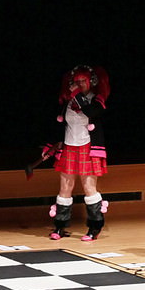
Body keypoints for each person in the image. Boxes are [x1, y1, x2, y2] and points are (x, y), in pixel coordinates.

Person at [47, 65, 110, 241]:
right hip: (69, 146)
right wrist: (51, 146)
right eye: (77, 81)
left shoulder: (96, 99)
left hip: (88, 147)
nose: (80, 84)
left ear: (91, 82)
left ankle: (95, 227)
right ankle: (60, 226)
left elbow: (91, 112)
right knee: (65, 187)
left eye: (83, 81)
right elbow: (60, 125)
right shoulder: (67, 101)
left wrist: (76, 95)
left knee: (89, 187)